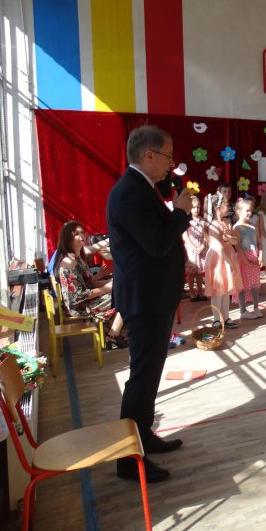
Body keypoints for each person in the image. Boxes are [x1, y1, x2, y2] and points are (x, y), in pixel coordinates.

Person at [107, 125, 193, 483]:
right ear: (149, 155)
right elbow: (157, 243)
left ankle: (143, 435)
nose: (171, 163)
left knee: (150, 373)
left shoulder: (142, 188)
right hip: (145, 300)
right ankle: (128, 460)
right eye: (168, 156)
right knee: (142, 377)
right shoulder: (130, 192)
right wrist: (181, 213)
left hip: (152, 296)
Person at [54, 220, 126, 349]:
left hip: (87, 300)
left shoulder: (77, 257)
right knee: (127, 295)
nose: (81, 236)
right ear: (68, 238)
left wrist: (110, 282)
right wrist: (106, 288)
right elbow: (78, 296)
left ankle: (113, 329)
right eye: (76, 234)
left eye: (82, 232)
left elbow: (89, 283)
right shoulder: (68, 263)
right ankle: (114, 332)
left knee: (126, 288)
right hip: (80, 307)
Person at [204, 193, 241, 328]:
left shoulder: (227, 222)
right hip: (218, 259)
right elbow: (218, 247)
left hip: (228, 255)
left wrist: (229, 238)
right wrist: (230, 263)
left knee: (226, 289)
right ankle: (216, 319)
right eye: (226, 204)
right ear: (217, 207)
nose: (229, 206)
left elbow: (235, 241)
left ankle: (226, 317)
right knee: (218, 290)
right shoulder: (213, 224)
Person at [234, 198, 263, 320]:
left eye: (251, 211)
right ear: (239, 211)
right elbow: (238, 247)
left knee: (254, 283)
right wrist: (247, 261)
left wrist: (260, 256)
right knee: (243, 284)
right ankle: (243, 310)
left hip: (254, 259)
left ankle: (256, 307)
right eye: (247, 211)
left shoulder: (253, 227)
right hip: (243, 260)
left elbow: (259, 243)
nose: (250, 213)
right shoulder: (237, 228)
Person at [182, 195, 207, 302]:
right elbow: (185, 236)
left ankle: (200, 292)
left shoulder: (203, 221)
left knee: (200, 272)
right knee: (191, 273)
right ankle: (192, 293)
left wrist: (202, 246)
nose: (196, 209)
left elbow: (206, 235)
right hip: (191, 249)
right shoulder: (186, 220)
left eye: (198, 207)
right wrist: (194, 247)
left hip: (201, 248)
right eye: (193, 207)